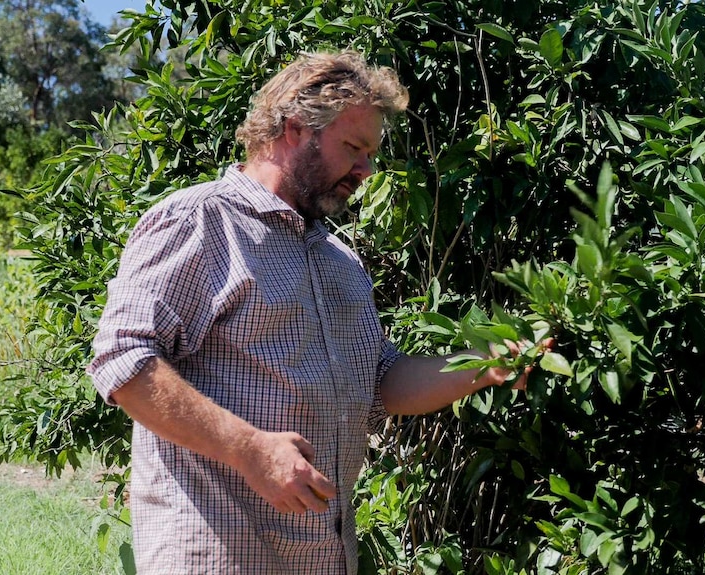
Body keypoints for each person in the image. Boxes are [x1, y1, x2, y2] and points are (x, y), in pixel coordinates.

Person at [88, 50, 526, 575]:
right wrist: (250, 449)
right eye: (353, 147)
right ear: (294, 128)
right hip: (214, 554)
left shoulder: (337, 259)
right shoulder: (200, 222)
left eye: (370, 153)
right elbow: (122, 359)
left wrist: (485, 364)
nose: (365, 169)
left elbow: (382, 381)